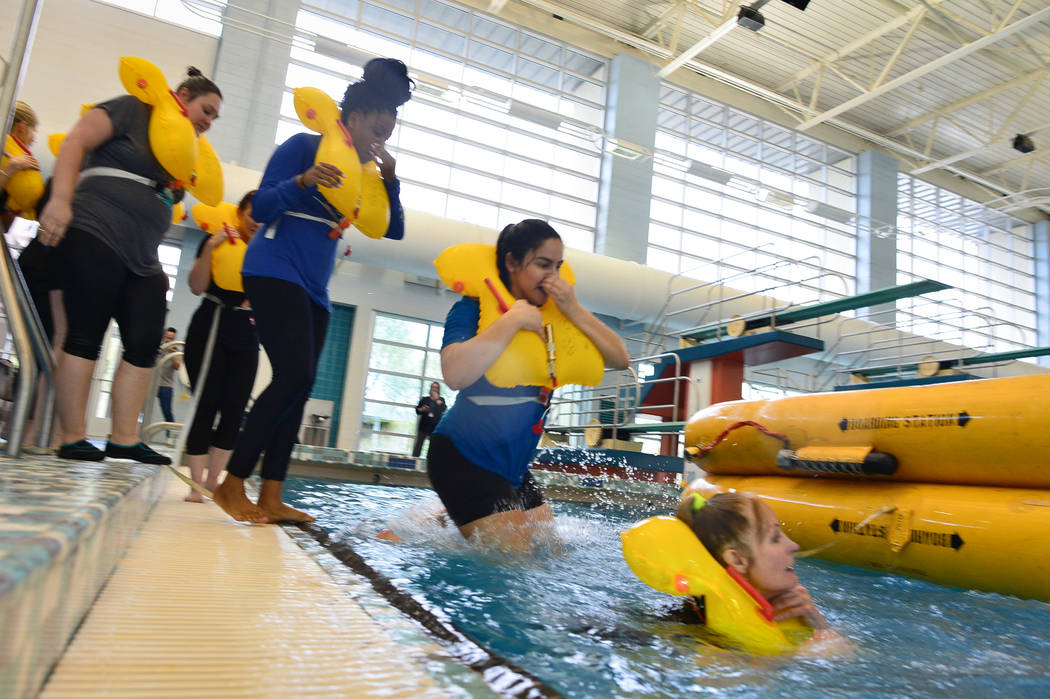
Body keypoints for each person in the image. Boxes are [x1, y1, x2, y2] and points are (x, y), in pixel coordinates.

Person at [211, 58, 412, 524]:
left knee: (300, 388)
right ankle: (232, 484)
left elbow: (394, 230)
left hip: (315, 286)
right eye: (376, 128)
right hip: (273, 267)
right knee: (292, 376)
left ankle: (272, 496)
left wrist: (391, 182)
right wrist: (302, 181)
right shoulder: (305, 146)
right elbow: (260, 206)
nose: (380, 139)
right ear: (353, 118)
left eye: (388, 133)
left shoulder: (365, 172)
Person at [36, 67, 223, 465]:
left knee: (145, 340)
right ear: (183, 96)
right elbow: (75, 142)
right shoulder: (132, 109)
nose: (209, 121)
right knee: (85, 335)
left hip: (144, 255)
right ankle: (72, 437)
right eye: (206, 110)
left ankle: (124, 438)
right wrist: (61, 199)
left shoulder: (181, 148)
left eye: (215, 117)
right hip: (95, 231)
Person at [428, 219, 630, 552]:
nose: (553, 276)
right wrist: (513, 320)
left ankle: (445, 515)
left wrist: (574, 308)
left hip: (513, 466)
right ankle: (449, 510)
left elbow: (620, 359)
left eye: (558, 267)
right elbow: (454, 374)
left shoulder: (558, 316)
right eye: (543, 264)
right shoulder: (473, 309)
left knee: (553, 551)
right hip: (464, 457)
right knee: (517, 560)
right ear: (512, 262)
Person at [676, 491, 844, 647]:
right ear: (738, 560)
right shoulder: (690, 635)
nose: (794, 545)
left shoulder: (801, 609)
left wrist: (819, 625)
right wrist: (806, 657)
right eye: (775, 538)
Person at [182, 191, 260, 502]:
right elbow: (196, 286)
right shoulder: (216, 238)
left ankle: (214, 482)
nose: (257, 222)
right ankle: (195, 486)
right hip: (211, 323)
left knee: (234, 410)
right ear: (240, 213)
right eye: (253, 214)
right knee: (205, 404)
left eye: (264, 217)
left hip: (246, 331)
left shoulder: (266, 251)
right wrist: (210, 248)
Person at [412, 381, 446, 458]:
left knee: (432, 451)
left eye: (436, 387)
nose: (434, 389)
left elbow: (444, 409)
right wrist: (422, 409)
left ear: (438, 389)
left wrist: (437, 399)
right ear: (430, 388)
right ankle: (413, 461)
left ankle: (429, 464)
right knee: (417, 449)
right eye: (433, 387)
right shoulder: (425, 399)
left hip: (434, 428)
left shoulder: (441, 400)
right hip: (423, 427)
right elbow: (418, 411)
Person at [156, 327, 180, 426]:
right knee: (140, 408)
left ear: (174, 339)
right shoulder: (158, 348)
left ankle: (171, 434)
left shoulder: (176, 351)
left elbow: (178, 367)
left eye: (171, 338)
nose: (168, 340)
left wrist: (172, 354)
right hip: (152, 385)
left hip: (166, 386)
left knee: (167, 413)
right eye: (167, 337)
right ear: (163, 336)